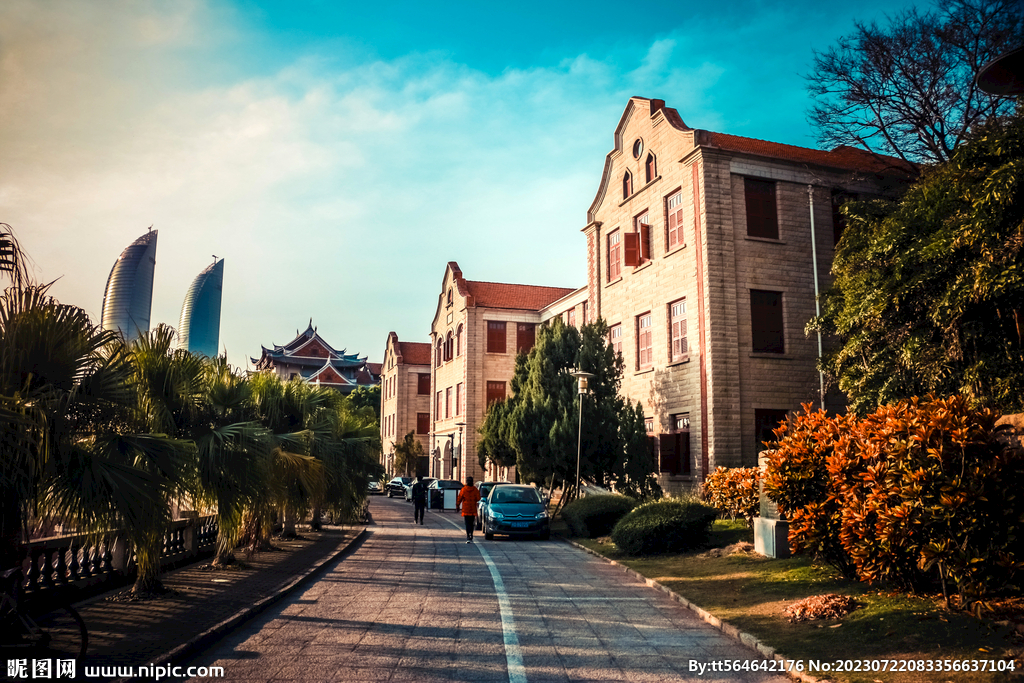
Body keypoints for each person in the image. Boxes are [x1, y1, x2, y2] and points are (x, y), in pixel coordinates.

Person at [456, 476, 482, 543]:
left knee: (467, 523)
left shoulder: (464, 489)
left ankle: (468, 535)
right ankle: (471, 534)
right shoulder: (475, 489)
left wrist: (457, 506)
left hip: (466, 509)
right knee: (472, 522)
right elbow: (478, 498)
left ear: (466, 482)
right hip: (473, 509)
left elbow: (459, 498)